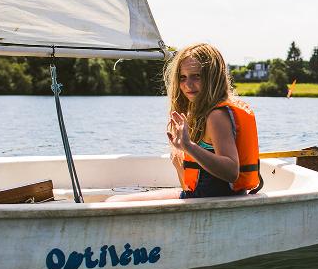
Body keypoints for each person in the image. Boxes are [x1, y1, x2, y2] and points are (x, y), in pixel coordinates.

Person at [107, 43, 261, 202]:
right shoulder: (202, 115)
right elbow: (188, 187)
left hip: (213, 201)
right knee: (114, 200)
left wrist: (189, 146)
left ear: (213, 77)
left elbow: (231, 171)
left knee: (113, 202)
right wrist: (178, 158)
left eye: (197, 76)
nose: (188, 84)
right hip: (203, 197)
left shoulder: (217, 116)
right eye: (183, 77)